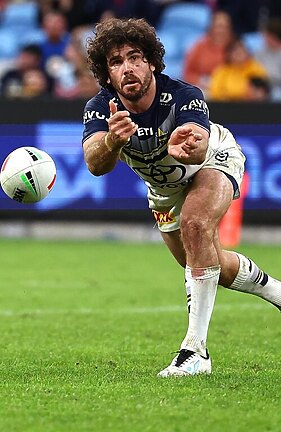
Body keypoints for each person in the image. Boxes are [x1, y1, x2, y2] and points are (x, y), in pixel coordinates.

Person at [82, 18, 281, 377]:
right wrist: (112, 141)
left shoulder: (183, 95)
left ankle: (195, 352)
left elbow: (199, 140)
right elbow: (95, 163)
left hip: (213, 159)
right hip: (163, 193)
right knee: (210, 266)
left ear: (153, 62)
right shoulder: (101, 108)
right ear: (106, 73)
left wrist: (186, 146)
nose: (127, 67)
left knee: (196, 222)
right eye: (116, 61)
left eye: (135, 57)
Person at [182, 10, 234, 97]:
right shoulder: (199, 46)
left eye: (225, 27)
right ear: (211, 27)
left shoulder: (236, 46)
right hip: (204, 86)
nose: (221, 30)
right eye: (218, 26)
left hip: (230, 88)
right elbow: (188, 72)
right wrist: (201, 82)